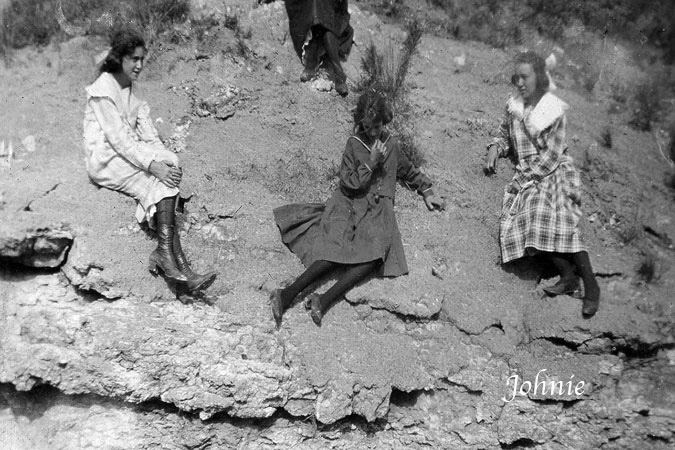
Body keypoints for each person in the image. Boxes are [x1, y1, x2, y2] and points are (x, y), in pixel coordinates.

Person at [270, 92, 444, 326]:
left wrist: (427, 190)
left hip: (379, 210)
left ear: (385, 121)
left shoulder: (391, 143)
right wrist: (371, 162)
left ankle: (324, 299)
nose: (373, 132)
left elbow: (407, 169)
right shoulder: (354, 144)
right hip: (351, 204)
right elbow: (349, 182)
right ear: (360, 123)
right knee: (336, 253)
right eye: (367, 127)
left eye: (377, 126)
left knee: (374, 256)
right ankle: (287, 293)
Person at [82, 29, 216, 292]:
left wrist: (166, 161)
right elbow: (118, 139)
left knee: (169, 165)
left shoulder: (134, 90)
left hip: (126, 151)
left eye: (142, 59)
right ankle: (180, 265)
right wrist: (153, 166)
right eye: (134, 59)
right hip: (105, 157)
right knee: (157, 178)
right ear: (119, 58)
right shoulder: (103, 89)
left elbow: (148, 135)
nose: (139, 65)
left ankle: (171, 260)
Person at [484, 51, 600, 317]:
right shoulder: (513, 105)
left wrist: (526, 179)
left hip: (555, 169)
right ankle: (568, 276)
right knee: (530, 215)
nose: (520, 83)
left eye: (525, 77)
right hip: (529, 170)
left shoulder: (551, 108)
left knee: (551, 213)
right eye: (517, 77)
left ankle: (591, 285)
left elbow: (553, 154)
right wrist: (495, 148)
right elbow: (503, 134)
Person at [284, 0, 353, 96]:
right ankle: (337, 73)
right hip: (305, 7)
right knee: (315, 8)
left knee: (324, 17)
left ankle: (315, 63)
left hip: (331, 9)